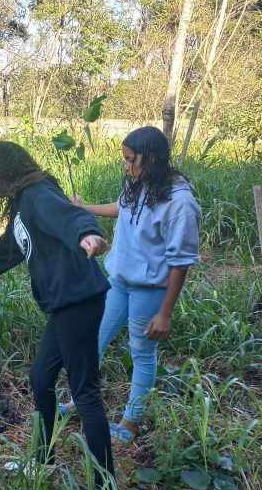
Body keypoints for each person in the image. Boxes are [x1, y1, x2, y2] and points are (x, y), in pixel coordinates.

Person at [0, 141, 115, 487]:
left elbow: (73, 216)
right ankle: (43, 460)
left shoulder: (37, 194)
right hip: (63, 305)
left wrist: (90, 235)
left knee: (86, 393)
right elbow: (1, 254)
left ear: (1, 174)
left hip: (79, 301)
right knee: (41, 378)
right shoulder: (21, 208)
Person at [60, 126, 201, 442]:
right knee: (92, 339)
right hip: (119, 282)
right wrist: (86, 209)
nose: (125, 165)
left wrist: (165, 313)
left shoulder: (180, 203)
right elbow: (122, 209)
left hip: (149, 290)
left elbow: (181, 261)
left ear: (149, 158)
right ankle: (80, 399)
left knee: (141, 352)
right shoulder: (140, 182)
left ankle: (130, 423)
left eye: (129, 159)